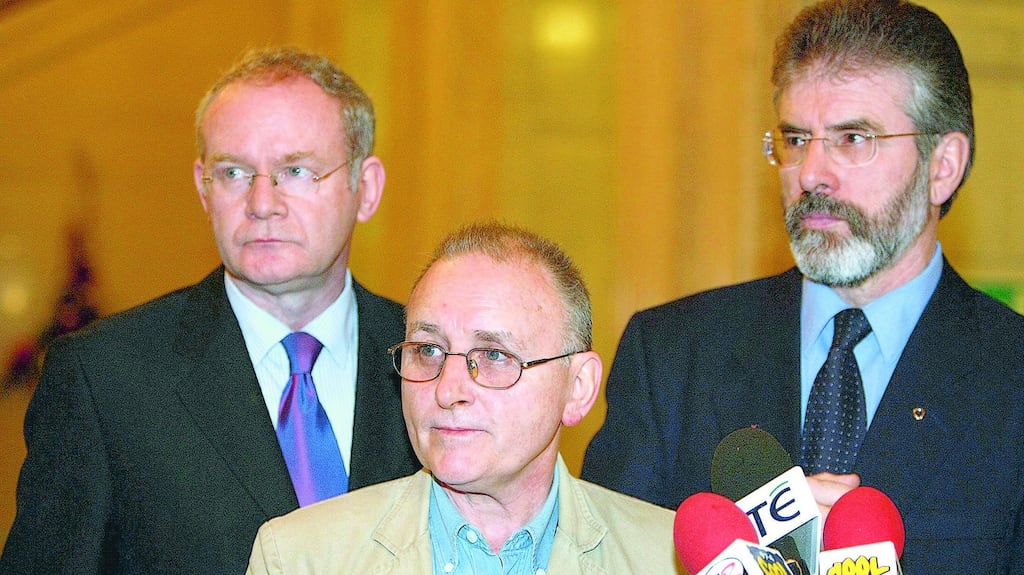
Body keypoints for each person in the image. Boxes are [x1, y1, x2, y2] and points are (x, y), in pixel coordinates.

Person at [582, 1, 1024, 573]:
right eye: (795, 139)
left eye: (853, 138)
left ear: (942, 165)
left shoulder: (1010, 378)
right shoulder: (671, 355)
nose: (811, 173)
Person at [0, 47, 420, 574]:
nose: (262, 203)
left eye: (295, 170)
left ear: (367, 187)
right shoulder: (105, 378)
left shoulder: (433, 362)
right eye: (234, 172)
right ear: (204, 187)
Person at [245, 222, 683, 574]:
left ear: (578, 388)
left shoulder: (672, 559)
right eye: (428, 351)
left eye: (494, 355)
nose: (448, 389)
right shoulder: (299, 557)